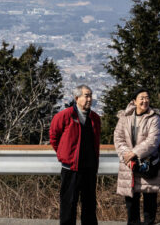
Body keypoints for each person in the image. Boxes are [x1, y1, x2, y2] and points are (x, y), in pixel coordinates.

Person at [50, 84, 101, 225]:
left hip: (89, 167)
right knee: (68, 203)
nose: (89, 99)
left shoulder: (95, 118)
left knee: (89, 204)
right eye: (86, 95)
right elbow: (54, 137)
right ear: (76, 97)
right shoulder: (65, 115)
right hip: (71, 167)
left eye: (90, 95)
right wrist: (65, 154)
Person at [114, 88, 160, 225]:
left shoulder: (154, 118)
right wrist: (127, 155)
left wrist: (134, 153)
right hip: (129, 164)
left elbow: (153, 140)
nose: (145, 101)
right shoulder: (124, 117)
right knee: (131, 201)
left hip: (148, 164)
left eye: (147, 97)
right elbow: (118, 138)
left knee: (150, 201)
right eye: (141, 98)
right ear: (134, 101)